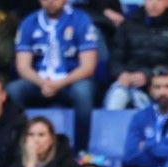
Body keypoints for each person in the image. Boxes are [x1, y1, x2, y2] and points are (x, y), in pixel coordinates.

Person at [7, 0, 100, 153]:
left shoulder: (81, 20)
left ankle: (81, 150)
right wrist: (42, 83)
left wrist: (59, 84)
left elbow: (88, 67)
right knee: (13, 90)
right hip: (38, 83)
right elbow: (23, 67)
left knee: (83, 92)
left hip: (69, 82)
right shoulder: (29, 22)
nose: (51, 1)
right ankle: (19, 148)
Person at [109, 1, 168, 111]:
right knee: (118, 94)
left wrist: (149, 76)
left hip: (161, 86)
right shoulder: (127, 26)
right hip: (127, 83)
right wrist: (120, 74)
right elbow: (115, 59)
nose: (153, 4)